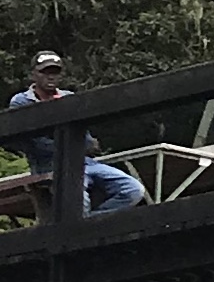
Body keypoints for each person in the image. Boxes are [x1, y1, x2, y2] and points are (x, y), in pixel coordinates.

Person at [13, 50, 148, 214]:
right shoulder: (22, 101)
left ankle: (91, 222)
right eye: (45, 72)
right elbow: (35, 145)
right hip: (50, 167)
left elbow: (88, 142)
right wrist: (75, 145)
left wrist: (74, 144)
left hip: (85, 162)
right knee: (78, 201)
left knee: (134, 190)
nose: (51, 77)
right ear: (33, 74)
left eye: (55, 72)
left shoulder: (69, 97)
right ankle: (86, 225)